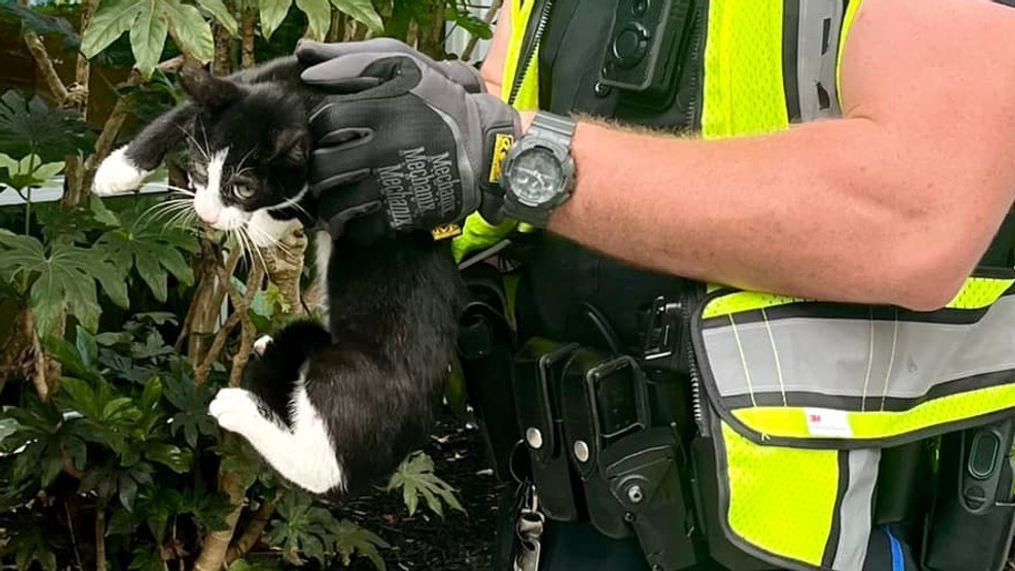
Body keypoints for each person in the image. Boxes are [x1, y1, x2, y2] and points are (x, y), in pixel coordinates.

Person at [296, 1, 1015, 569]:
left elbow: (914, 216)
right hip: (567, 505)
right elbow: (508, 99)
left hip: (805, 529)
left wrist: (513, 160)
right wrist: (397, 130)